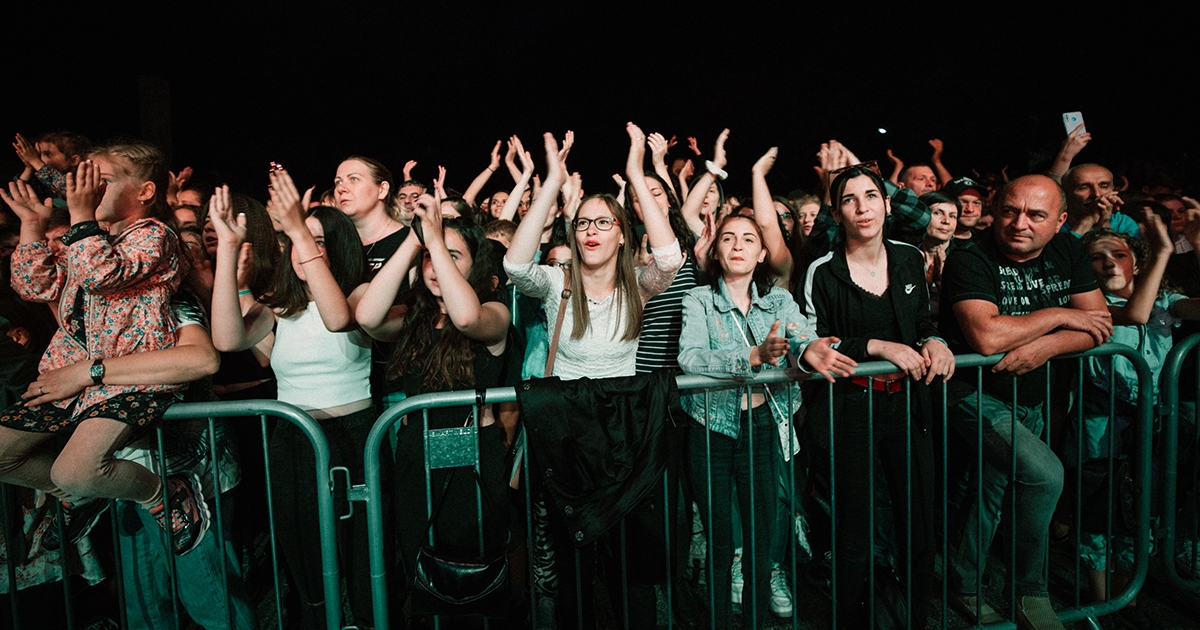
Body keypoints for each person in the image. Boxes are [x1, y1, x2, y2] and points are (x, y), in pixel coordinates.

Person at [503, 126, 684, 628]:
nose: (591, 231)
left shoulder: (638, 283)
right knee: (573, 562)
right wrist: (552, 179)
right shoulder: (557, 283)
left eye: (604, 222)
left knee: (629, 563)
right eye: (583, 222)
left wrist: (634, 172)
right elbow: (516, 265)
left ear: (622, 233)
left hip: (623, 432)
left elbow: (670, 257)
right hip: (566, 437)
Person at [0, 141, 209, 555]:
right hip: (71, 375)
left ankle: (163, 494)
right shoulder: (89, 241)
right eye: (86, 182)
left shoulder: (154, 235)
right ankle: (86, 495)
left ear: (145, 191)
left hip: (125, 377)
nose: (89, 191)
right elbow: (34, 287)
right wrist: (30, 226)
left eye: (103, 182)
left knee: (77, 470)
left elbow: (101, 275)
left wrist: (79, 216)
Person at [939, 174, 1113, 630]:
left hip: (1032, 396)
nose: (1019, 223)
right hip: (974, 393)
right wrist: (1059, 315)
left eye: (1036, 215)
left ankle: (963, 583)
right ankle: (1029, 592)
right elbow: (987, 334)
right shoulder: (969, 256)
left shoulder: (1068, 250)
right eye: (1011, 210)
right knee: (1044, 473)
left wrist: (1048, 346)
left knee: (988, 495)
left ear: (1059, 222)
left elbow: (1099, 322)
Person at [209, 174, 373, 630]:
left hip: (354, 438)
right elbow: (226, 339)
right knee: (305, 556)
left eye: (316, 241)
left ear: (335, 248)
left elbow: (340, 319)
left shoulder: (359, 294)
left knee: (362, 555)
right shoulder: (283, 306)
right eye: (297, 239)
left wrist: (300, 229)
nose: (302, 249)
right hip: (295, 439)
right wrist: (226, 250)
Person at [680, 212, 855, 627]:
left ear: (762, 253)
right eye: (728, 238)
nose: (738, 245)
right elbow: (689, 357)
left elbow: (802, 335)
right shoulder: (699, 299)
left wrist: (811, 351)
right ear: (716, 251)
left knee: (760, 540)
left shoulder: (777, 300)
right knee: (721, 543)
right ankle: (721, 620)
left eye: (748, 239)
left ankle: (757, 620)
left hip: (762, 427)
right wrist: (753, 356)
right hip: (711, 431)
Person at [798, 166, 953, 628]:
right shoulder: (822, 272)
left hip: (909, 403)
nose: (862, 206)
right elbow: (814, 343)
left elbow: (923, 322)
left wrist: (936, 342)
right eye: (849, 199)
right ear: (837, 212)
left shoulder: (909, 258)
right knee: (856, 532)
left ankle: (917, 618)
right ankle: (851, 619)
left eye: (871, 196)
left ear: (887, 205)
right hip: (852, 409)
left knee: (918, 524)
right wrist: (874, 346)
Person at [355, 191, 518, 605]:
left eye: (452, 255)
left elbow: (465, 318)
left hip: (473, 456)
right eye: (430, 256)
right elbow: (367, 317)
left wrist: (434, 237)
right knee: (420, 567)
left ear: (475, 264)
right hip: (415, 452)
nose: (435, 264)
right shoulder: (414, 316)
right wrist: (414, 240)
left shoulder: (494, 311)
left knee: (472, 570)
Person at [333, 156, 408, 277]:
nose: (340, 188)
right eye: (338, 182)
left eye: (354, 179)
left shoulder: (409, 242)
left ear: (382, 190)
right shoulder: (333, 245)